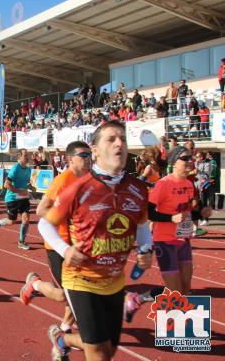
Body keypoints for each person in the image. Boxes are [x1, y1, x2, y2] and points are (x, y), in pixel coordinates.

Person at [37, 121, 153, 361]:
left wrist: (145, 248)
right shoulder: (77, 188)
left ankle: (61, 338)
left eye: (122, 138)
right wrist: (64, 249)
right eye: (111, 139)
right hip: (81, 279)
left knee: (108, 350)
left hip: (115, 281)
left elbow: (142, 224)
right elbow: (44, 222)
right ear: (96, 150)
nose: (119, 143)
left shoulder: (138, 189)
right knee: (98, 354)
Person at [19, 141, 91, 335]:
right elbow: (42, 210)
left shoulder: (90, 180)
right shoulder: (62, 181)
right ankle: (34, 284)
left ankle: (64, 330)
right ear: (70, 159)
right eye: (83, 156)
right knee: (65, 296)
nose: (88, 159)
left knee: (79, 292)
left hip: (78, 246)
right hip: (58, 246)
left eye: (89, 155)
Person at [149, 146, 212, 295]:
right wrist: (170, 218)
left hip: (183, 240)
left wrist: (202, 213)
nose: (190, 161)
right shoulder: (163, 184)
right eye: (185, 158)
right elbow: (149, 212)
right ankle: (145, 298)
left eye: (191, 158)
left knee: (185, 289)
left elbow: (188, 214)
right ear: (174, 162)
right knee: (175, 292)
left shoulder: (189, 185)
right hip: (164, 241)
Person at [0, 149, 33, 249]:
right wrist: (19, 191)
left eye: (28, 155)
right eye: (25, 155)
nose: (28, 157)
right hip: (12, 198)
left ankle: (21, 241)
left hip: (23, 198)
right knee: (11, 222)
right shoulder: (15, 168)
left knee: (26, 218)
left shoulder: (28, 169)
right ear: (19, 157)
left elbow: (27, 183)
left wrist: (30, 186)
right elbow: (6, 184)